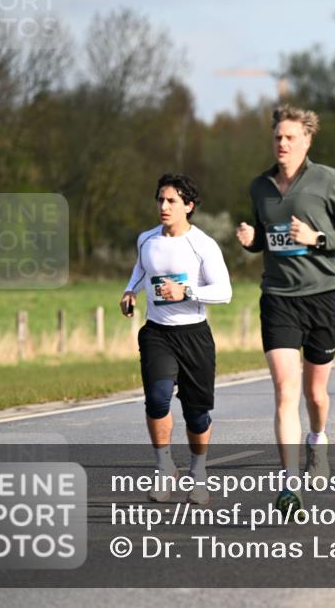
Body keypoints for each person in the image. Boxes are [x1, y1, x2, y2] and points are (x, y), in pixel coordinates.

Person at [236, 105, 335, 514]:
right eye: (277, 136)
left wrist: (317, 238)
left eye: (290, 137)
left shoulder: (329, 180)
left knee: (315, 393)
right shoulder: (259, 186)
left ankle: (318, 439)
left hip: (323, 297)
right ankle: (289, 485)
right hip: (278, 298)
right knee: (285, 391)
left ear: (307, 140)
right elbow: (267, 237)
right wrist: (252, 239)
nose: (282, 143)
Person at [121, 173, 233, 506]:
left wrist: (187, 291)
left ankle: (198, 473)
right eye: (160, 199)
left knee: (196, 415)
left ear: (188, 205)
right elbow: (141, 269)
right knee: (157, 399)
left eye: (171, 201)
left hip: (194, 335)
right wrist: (130, 291)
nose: (164, 206)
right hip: (157, 333)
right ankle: (163, 467)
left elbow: (224, 292)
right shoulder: (147, 239)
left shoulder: (202, 245)